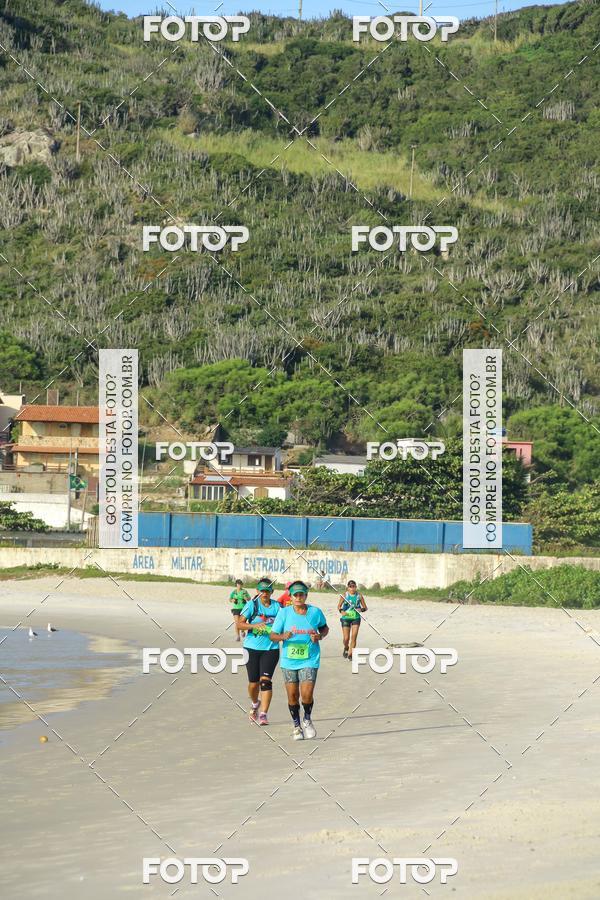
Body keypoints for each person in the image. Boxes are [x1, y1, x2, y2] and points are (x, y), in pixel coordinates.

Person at [270, 579, 329, 741]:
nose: (298, 597)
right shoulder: (284, 613)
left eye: (301, 594)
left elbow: (324, 628)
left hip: (310, 658)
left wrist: (319, 636)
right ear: (291, 596)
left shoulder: (315, 612)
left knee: (307, 695)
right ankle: (296, 726)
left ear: (306, 595)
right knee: (292, 696)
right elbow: (272, 636)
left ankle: (307, 719)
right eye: (295, 594)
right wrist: (283, 636)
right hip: (289, 661)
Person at [238, 578, 280, 726]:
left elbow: (286, 623)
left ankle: (263, 714)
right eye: (262, 590)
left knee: (265, 682)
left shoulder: (277, 607)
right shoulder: (252, 605)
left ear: (272, 592)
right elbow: (240, 624)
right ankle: (255, 703)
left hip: (271, 649)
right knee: (253, 683)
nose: (264, 593)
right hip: (251, 648)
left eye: (267, 590)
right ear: (257, 591)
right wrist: (255, 627)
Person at [337, 580, 367, 661]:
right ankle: (346, 647)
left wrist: (360, 609)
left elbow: (365, 608)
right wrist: (341, 611)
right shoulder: (344, 595)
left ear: (356, 587)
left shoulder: (359, 596)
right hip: (346, 618)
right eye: (350, 587)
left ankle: (351, 654)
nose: (352, 588)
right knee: (346, 638)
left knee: (354, 637)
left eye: (354, 586)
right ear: (348, 587)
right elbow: (339, 606)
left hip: (356, 618)